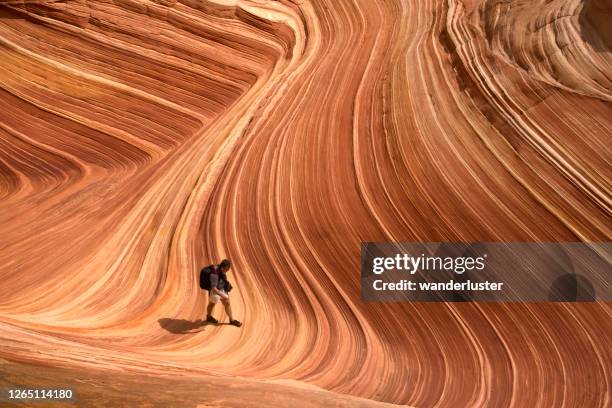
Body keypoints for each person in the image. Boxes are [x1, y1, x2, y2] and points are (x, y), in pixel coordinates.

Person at [205, 259, 242, 327]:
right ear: (223, 267)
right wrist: (223, 295)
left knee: (227, 302)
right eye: (227, 269)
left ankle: (232, 320)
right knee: (212, 304)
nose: (227, 271)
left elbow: (223, 280)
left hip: (221, 289)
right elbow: (214, 288)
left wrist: (226, 289)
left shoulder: (222, 271)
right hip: (214, 291)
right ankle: (209, 317)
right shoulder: (214, 274)